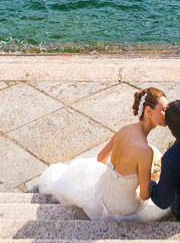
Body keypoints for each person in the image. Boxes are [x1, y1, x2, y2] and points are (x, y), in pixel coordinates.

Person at [38, 87, 172, 221]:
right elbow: (144, 195)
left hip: (101, 193)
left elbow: (101, 158)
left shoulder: (124, 129)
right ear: (148, 111)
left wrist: (121, 174)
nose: (168, 113)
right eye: (164, 109)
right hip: (125, 208)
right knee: (167, 204)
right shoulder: (145, 151)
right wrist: (155, 178)